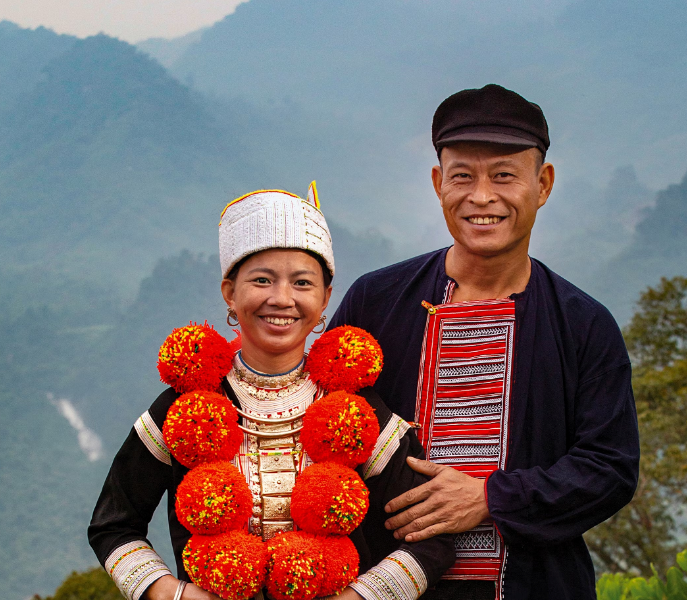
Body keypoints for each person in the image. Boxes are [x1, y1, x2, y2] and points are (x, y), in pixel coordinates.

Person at [327, 85, 640, 599]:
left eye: (504, 176)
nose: (481, 197)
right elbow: (321, 426)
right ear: (437, 183)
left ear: (543, 184)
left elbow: (610, 468)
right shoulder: (377, 301)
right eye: (462, 176)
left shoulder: (583, 325)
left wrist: (491, 498)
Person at [88, 185, 454, 600]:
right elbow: (112, 525)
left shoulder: (354, 412)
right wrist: (170, 593)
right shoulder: (185, 408)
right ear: (230, 292)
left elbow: (433, 540)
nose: (282, 299)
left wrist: (360, 597)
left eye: (302, 283)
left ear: (325, 300)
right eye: (262, 280)